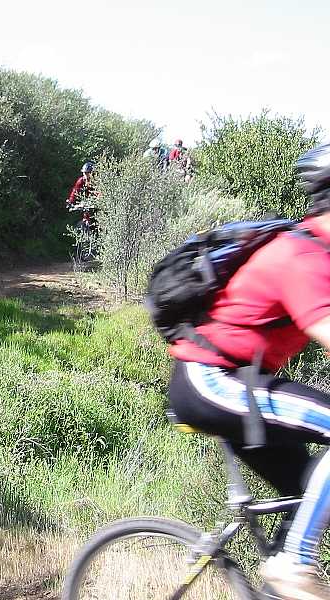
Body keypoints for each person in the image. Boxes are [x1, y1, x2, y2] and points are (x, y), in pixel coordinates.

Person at [167, 143, 330, 600]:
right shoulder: (304, 257)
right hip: (211, 380)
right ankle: (295, 564)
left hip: (237, 386)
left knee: (309, 492)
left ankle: (280, 585)